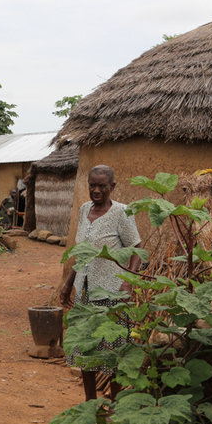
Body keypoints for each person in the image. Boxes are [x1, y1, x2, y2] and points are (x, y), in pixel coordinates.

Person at [59, 165, 141, 401]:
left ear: (112, 187)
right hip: (84, 292)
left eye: (102, 186)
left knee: (112, 347)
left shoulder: (122, 213)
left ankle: (114, 400)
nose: (96, 190)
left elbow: (137, 249)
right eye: (92, 185)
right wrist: (68, 283)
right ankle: (90, 400)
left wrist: (128, 282)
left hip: (111, 292)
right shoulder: (84, 210)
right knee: (86, 345)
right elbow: (82, 252)